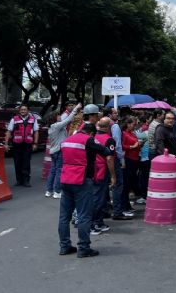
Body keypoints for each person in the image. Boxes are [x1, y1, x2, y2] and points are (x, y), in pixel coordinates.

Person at [57, 107, 116, 258]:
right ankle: (83, 247)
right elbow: (106, 152)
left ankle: (64, 246)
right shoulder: (88, 140)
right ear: (91, 133)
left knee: (64, 216)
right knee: (84, 215)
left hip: (66, 179)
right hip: (82, 180)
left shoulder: (66, 141)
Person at [46, 103, 82, 199]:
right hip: (59, 151)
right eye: (58, 115)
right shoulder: (56, 126)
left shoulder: (52, 127)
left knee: (53, 171)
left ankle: (49, 190)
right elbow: (68, 119)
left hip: (54, 151)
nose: (60, 117)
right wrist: (76, 109)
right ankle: (57, 191)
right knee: (59, 171)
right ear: (55, 118)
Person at [92, 118, 122, 233]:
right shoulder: (109, 140)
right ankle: (96, 222)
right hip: (101, 170)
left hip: (92, 169)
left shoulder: (93, 137)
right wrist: (113, 176)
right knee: (99, 197)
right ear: (109, 127)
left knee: (96, 196)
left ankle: (98, 221)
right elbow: (109, 158)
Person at [4, 104, 39, 187]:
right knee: (17, 162)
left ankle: (26, 180)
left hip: (27, 144)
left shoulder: (33, 119)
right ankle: (19, 180)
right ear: (19, 111)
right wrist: (6, 144)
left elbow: (36, 131)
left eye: (24, 109)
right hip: (17, 144)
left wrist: (35, 143)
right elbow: (9, 131)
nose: (23, 111)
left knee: (26, 162)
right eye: (21, 109)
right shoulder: (14, 119)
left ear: (28, 111)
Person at [121, 116, 142, 209]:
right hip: (128, 159)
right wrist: (132, 146)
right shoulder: (124, 134)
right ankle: (125, 204)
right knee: (127, 182)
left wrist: (138, 145)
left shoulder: (132, 133)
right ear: (128, 124)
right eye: (134, 124)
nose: (135, 126)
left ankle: (127, 204)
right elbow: (122, 146)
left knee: (131, 181)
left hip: (135, 159)